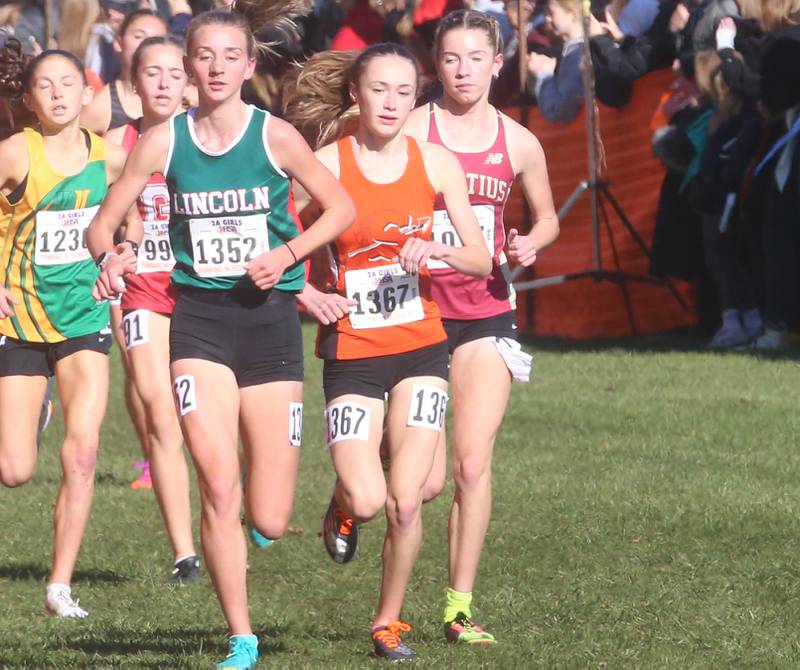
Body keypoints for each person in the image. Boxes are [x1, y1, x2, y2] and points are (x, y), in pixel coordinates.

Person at [86, 8, 354, 669]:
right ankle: (242, 634)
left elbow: (342, 207)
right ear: (188, 67)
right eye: (203, 56)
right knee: (218, 485)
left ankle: (342, 499)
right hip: (199, 324)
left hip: (267, 326)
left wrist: (288, 253)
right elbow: (104, 222)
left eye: (229, 56)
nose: (214, 68)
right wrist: (114, 254)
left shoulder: (276, 137)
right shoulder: (162, 141)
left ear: (248, 66)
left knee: (266, 515)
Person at [283, 43, 492, 661]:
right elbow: (276, 232)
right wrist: (308, 294)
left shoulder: (437, 164)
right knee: (371, 498)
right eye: (380, 90)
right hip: (352, 347)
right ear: (356, 94)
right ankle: (345, 502)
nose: (393, 103)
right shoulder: (326, 162)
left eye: (405, 92)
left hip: (422, 344)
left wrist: (439, 251)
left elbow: (481, 259)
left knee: (409, 499)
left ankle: (388, 622)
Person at [404, 8, 559, 645]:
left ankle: (458, 608)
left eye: (475, 59)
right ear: (434, 66)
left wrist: (531, 243)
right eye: (450, 59)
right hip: (413, 312)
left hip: (487, 311)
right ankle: (354, 488)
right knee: (425, 479)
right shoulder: (412, 128)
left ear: (498, 64)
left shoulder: (518, 141)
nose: (462, 71)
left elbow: (547, 218)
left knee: (471, 466)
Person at [0, 47, 134, 618]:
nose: (57, 94)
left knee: (83, 452)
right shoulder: (14, 153)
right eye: (44, 86)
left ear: (88, 95)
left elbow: (134, 215)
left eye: (68, 84)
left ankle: (59, 587)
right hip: (21, 320)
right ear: (28, 100)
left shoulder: (108, 159)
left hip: (82, 317)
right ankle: (34, 409)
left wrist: (122, 254)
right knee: (14, 470)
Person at [103, 34, 200, 583]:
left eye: (173, 73)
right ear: (133, 82)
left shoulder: (207, 138)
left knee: (208, 420)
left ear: (187, 81)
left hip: (205, 293)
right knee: (159, 415)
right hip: (143, 292)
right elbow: (91, 217)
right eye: (152, 73)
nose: (164, 83)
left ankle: (244, 500)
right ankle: (184, 553)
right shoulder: (116, 145)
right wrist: (112, 255)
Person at [81, 8, 168, 134]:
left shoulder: (182, 99)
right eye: (138, 36)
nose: (146, 44)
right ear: (118, 42)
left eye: (156, 39)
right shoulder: (103, 107)